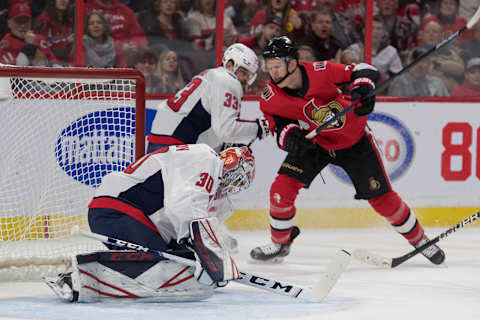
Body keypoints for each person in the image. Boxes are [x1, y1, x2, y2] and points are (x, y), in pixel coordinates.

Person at [249, 36, 446, 266]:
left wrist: (363, 88)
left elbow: (363, 69)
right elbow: (279, 127)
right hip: (315, 145)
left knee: (383, 200)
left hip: (354, 142)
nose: (272, 72)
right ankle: (280, 243)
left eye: (277, 66)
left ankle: (421, 240)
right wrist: (290, 137)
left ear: (292, 63)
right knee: (281, 191)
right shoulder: (269, 98)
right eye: (269, 66)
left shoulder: (319, 71)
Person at [44, 144, 255, 302]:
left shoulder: (200, 166)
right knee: (163, 265)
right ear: (230, 163)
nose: (232, 186)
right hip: (117, 209)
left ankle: (92, 275)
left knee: (180, 263)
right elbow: (182, 207)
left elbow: (180, 215)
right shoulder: (208, 160)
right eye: (236, 178)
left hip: (123, 212)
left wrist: (202, 254)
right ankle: (76, 279)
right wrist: (209, 254)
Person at [147, 43, 270, 154]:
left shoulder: (211, 75)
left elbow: (206, 124)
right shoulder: (228, 80)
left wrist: (223, 145)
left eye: (249, 76)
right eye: (243, 72)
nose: (245, 80)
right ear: (229, 65)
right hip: (174, 144)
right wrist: (258, 127)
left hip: (162, 140)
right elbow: (226, 130)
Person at [34, 0, 75, 66]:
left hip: (67, 65)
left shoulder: (71, 21)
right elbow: (41, 45)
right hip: (48, 65)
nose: (63, 1)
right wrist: (65, 41)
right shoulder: (43, 19)